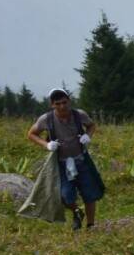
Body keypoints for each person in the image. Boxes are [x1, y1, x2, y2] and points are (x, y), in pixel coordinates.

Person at [26, 88, 102, 230]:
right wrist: (46, 144)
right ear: (52, 104)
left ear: (69, 101)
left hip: (81, 160)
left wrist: (88, 136)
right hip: (60, 163)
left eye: (64, 102)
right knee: (64, 195)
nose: (62, 106)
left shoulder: (79, 115)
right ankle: (76, 211)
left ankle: (91, 225)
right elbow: (31, 134)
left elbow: (91, 125)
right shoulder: (46, 119)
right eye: (58, 103)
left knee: (89, 194)